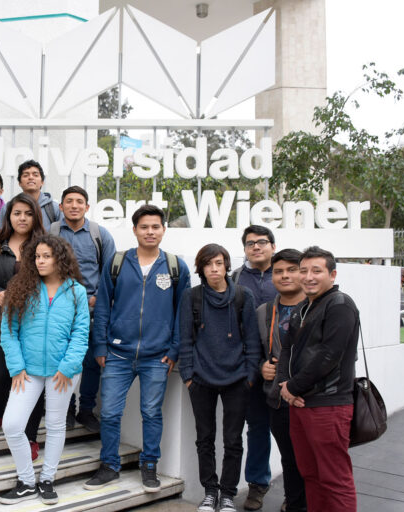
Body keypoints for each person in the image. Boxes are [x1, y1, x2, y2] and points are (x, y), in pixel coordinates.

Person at [85, 205, 190, 493]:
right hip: (117, 354)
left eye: (155, 227)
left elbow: (183, 311)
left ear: (163, 230)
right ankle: (109, 465)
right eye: (144, 227)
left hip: (157, 357)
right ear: (135, 230)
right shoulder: (117, 262)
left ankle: (149, 466)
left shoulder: (175, 267)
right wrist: (101, 345)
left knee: (151, 413)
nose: (150, 232)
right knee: (108, 413)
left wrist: (175, 349)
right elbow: (104, 306)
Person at [0, 234, 89, 505]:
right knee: (12, 424)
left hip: (63, 372)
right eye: (37, 256)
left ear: (59, 258)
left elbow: (81, 332)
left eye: (47, 256)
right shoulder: (20, 287)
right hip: (29, 371)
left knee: (56, 425)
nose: (40, 261)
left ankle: (47, 479)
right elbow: (8, 331)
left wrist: (68, 367)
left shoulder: (76, 291)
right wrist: (16, 367)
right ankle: (26, 481)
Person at [179, 244, 261, 512]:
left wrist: (249, 376)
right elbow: (185, 340)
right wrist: (188, 375)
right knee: (205, 438)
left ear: (227, 265)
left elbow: (252, 340)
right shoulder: (191, 297)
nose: (214, 269)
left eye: (219, 263)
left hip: (237, 379)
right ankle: (210, 492)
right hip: (200, 380)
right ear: (201, 268)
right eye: (208, 264)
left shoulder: (242, 296)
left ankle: (227, 494)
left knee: (233, 440)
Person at [278, 246, 359, 512]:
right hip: (299, 404)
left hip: (329, 404)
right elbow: (287, 349)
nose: (308, 277)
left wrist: (293, 387)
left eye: (317, 271)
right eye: (304, 271)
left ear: (332, 274)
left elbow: (329, 355)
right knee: (310, 475)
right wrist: (285, 386)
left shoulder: (340, 305)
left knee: (334, 479)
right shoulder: (303, 307)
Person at [0, 193, 46, 458]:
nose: (22, 218)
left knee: (33, 379)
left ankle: (30, 435)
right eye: (17, 213)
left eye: (28, 213)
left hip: (35, 325)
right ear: (8, 216)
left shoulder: (44, 246)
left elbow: (55, 280)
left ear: (35, 216)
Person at [50, 185, 116, 432]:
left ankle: (86, 410)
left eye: (79, 201)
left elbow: (110, 273)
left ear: (87, 207)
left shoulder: (100, 234)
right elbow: (42, 267)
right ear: (61, 206)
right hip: (59, 309)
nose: (74, 205)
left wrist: (99, 298)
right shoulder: (52, 232)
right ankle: (66, 408)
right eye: (69, 201)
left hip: (92, 310)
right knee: (61, 360)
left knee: (91, 361)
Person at [257, 249, 307, 512]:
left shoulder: (320, 307)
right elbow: (253, 351)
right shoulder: (265, 312)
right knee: (289, 458)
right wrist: (261, 367)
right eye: (279, 271)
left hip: (312, 400)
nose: (285, 276)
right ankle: (294, 503)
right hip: (278, 399)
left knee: (313, 460)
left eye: (291, 269)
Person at [230, 225, 276, 511]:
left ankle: (302, 486)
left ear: (272, 245)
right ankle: (257, 484)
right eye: (250, 243)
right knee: (257, 427)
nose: (256, 247)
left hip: (285, 366)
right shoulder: (235, 278)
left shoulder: (286, 273)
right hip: (249, 367)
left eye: (261, 242)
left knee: (294, 430)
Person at [16, 159, 61, 228]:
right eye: (26, 175)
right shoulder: (9, 208)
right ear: (20, 183)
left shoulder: (55, 208)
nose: (31, 177)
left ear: (42, 182)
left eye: (35, 175)